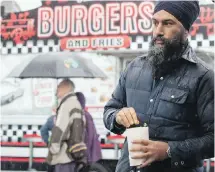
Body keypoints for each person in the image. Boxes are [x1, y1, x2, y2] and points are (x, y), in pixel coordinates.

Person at [103, 1, 214, 172]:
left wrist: (169, 150)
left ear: (186, 29)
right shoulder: (134, 68)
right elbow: (109, 111)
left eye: (168, 23)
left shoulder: (203, 77)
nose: (158, 31)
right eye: (155, 23)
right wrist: (117, 116)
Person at [46, 79, 87, 172]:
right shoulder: (76, 103)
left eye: (59, 87)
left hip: (63, 156)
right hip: (72, 153)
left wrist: (53, 148)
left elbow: (60, 129)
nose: (57, 90)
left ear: (66, 87)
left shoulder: (66, 105)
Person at [75, 92, 102, 163]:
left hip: (89, 155)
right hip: (90, 154)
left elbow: (89, 137)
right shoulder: (85, 114)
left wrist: (84, 154)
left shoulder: (84, 115)